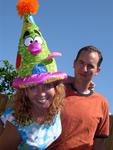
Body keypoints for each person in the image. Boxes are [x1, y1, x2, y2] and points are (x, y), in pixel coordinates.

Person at [0, 0, 67, 149]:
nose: (41, 93)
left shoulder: (54, 110)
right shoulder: (17, 123)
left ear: (56, 87)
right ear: (25, 91)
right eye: (33, 87)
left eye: (47, 85)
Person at [47, 45, 109, 150]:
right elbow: (34, 80)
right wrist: (68, 79)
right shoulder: (56, 90)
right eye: (81, 62)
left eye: (90, 66)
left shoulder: (101, 102)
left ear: (97, 71)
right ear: (74, 63)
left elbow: (99, 142)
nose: (84, 69)